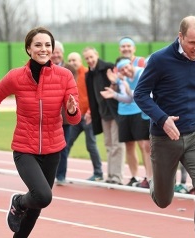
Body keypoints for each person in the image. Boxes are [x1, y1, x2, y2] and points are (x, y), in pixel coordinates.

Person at [0, 27, 81, 237]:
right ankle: (18, 201)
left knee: (35, 210)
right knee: (42, 196)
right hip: (25, 149)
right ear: (28, 49)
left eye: (48, 45)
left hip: (53, 149)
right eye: (38, 45)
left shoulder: (65, 76)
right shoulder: (16, 77)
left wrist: (72, 110)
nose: (44, 49)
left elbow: (74, 118)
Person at [134, 16, 195, 238]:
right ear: (180, 37)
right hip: (164, 137)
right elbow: (140, 94)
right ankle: (158, 180)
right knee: (163, 200)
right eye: (192, 42)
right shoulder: (160, 59)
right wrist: (162, 118)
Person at [101, 57, 152, 188]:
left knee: (144, 145)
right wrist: (114, 94)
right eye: (122, 69)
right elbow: (128, 99)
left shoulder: (141, 73)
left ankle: (149, 177)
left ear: (131, 64)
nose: (125, 70)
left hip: (140, 112)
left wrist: (127, 88)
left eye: (127, 67)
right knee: (129, 145)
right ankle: (135, 177)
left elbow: (138, 95)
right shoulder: (122, 78)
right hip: (124, 113)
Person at [83, 47, 125, 185]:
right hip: (102, 113)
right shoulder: (89, 75)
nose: (89, 60)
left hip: (115, 111)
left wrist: (114, 84)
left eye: (91, 57)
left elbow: (120, 86)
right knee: (108, 144)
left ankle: (117, 176)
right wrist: (91, 113)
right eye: (87, 58)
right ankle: (111, 175)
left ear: (96, 55)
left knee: (117, 144)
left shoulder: (108, 67)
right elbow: (92, 97)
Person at [64, 52, 104, 181]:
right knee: (66, 144)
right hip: (75, 117)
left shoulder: (87, 74)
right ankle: (59, 171)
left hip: (87, 116)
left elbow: (94, 96)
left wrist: (91, 112)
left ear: (80, 61)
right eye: (70, 60)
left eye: (74, 60)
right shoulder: (68, 75)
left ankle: (98, 173)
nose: (72, 62)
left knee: (91, 145)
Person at [51, 40, 72, 186]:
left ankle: (61, 175)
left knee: (63, 147)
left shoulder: (69, 69)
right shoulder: (44, 68)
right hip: (48, 116)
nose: (56, 55)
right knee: (48, 148)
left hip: (64, 118)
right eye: (54, 52)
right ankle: (48, 174)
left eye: (58, 52)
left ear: (62, 53)